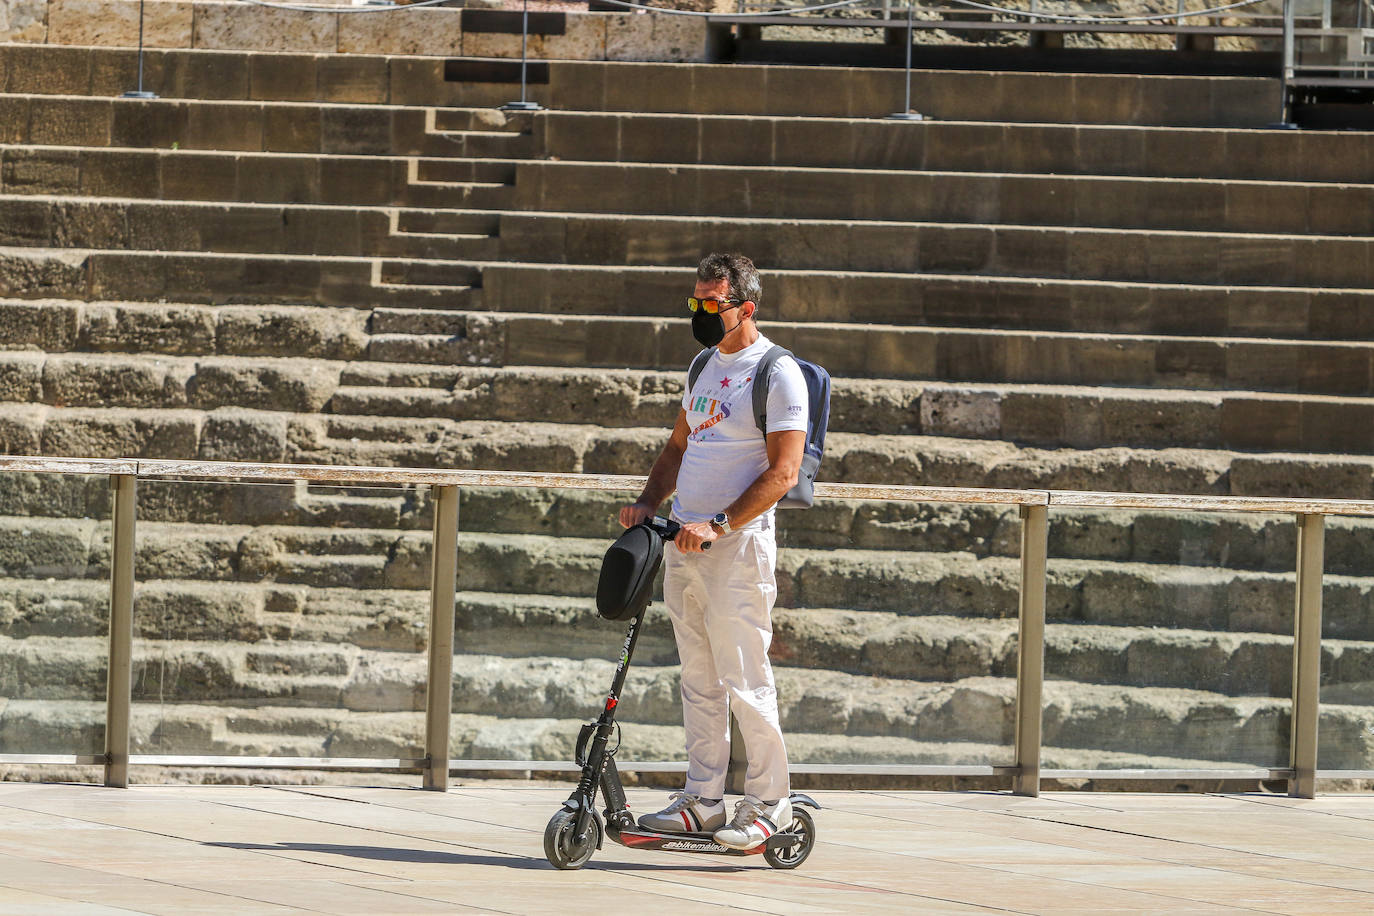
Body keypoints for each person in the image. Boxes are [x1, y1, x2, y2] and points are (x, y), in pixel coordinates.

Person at [617, 252, 808, 850]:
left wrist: (720, 525)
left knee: (745, 677)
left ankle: (769, 804)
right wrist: (649, 502)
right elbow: (679, 446)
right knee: (698, 678)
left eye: (709, 304)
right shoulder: (703, 363)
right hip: (683, 540)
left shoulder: (777, 373)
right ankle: (702, 797)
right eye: (692, 302)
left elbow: (784, 472)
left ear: (744, 308)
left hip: (736, 546)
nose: (698, 312)